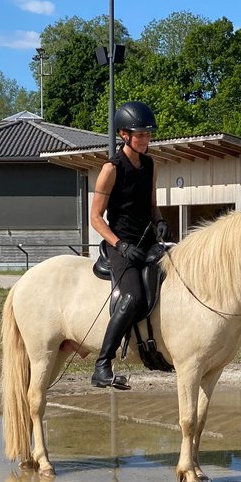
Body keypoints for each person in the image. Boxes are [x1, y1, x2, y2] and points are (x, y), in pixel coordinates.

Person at [88, 101, 164, 389]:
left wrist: (160, 221)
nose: (146, 139)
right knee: (132, 297)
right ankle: (102, 365)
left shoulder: (150, 164)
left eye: (148, 134)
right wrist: (119, 245)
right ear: (124, 135)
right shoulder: (112, 168)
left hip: (148, 243)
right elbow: (95, 218)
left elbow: (152, 205)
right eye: (140, 134)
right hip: (121, 247)